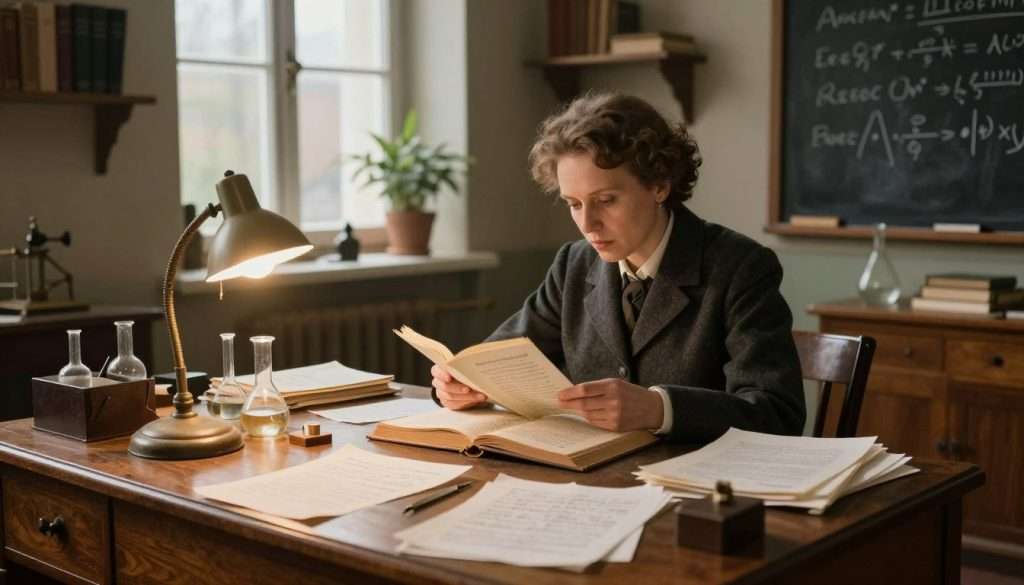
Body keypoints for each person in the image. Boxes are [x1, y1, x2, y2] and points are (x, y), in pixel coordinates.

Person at [431, 92, 805, 442]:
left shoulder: (741, 267)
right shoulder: (573, 264)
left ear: (659, 185)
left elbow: (777, 413)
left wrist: (660, 409)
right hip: (593, 484)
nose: (588, 224)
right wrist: (461, 383)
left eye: (606, 200)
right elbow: (496, 360)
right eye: (573, 204)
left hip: (699, 493)